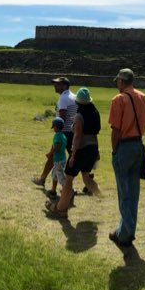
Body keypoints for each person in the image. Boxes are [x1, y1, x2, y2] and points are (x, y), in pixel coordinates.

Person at [108, 68, 145, 248]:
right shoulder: (143, 97)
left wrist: (114, 151)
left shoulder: (119, 99)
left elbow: (116, 130)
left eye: (117, 81)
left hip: (124, 146)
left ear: (121, 81)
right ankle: (127, 230)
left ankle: (124, 234)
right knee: (133, 193)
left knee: (124, 193)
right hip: (138, 145)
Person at [47, 88, 103, 218]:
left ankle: (60, 209)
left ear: (78, 102)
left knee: (68, 180)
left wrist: (73, 155)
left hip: (81, 150)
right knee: (86, 178)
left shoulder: (79, 116)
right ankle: (103, 198)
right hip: (93, 148)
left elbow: (77, 136)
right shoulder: (95, 113)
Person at [35, 77, 77, 188]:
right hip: (73, 131)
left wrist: (58, 132)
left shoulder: (63, 98)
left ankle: (42, 179)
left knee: (53, 156)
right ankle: (87, 180)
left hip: (64, 132)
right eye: (55, 84)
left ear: (65, 86)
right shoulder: (74, 96)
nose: (55, 86)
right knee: (74, 157)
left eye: (58, 84)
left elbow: (62, 117)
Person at [43, 117, 68, 202]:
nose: (53, 129)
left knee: (61, 177)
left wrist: (50, 154)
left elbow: (56, 147)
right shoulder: (63, 135)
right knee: (54, 175)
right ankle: (53, 191)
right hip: (61, 159)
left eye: (53, 127)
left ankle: (67, 192)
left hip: (58, 160)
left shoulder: (57, 136)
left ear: (56, 127)